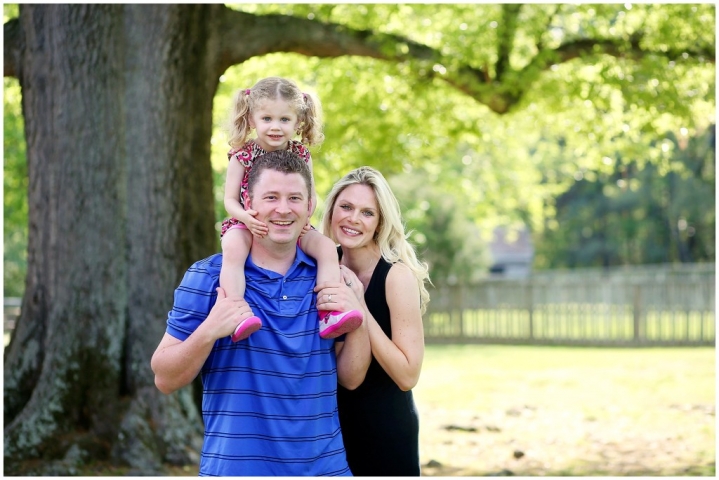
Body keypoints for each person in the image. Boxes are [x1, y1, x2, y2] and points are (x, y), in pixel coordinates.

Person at [151, 151, 372, 476]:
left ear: (309, 205)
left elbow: (351, 379)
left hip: (324, 469)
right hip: (236, 469)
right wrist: (211, 328)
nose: (283, 209)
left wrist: (359, 316)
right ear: (247, 203)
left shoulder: (331, 278)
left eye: (294, 198)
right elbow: (164, 378)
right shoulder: (209, 277)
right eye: (271, 197)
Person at [219, 76, 362, 342]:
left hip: (293, 225)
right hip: (247, 223)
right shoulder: (242, 155)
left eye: (284, 120)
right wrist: (245, 219)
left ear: (298, 122)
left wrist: (306, 217)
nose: (276, 127)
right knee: (233, 248)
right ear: (252, 120)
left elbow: (311, 195)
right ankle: (236, 313)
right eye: (267, 119)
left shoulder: (301, 154)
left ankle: (330, 311)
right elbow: (229, 200)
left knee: (327, 248)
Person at [314, 166, 431, 476]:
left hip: (386, 429)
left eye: (367, 213)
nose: (353, 219)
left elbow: (408, 375)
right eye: (347, 207)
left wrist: (360, 308)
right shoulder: (320, 268)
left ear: (380, 223)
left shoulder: (396, 276)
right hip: (329, 429)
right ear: (332, 210)